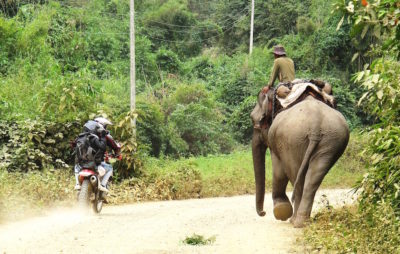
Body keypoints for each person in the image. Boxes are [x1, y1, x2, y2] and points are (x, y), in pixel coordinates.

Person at [73, 117, 121, 192]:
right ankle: (102, 185)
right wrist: (117, 153)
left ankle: (77, 184)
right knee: (110, 168)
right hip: (96, 162)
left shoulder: (83, 136)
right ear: (102, 126)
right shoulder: (104, 136)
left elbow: (74, 144)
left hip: (82, 162)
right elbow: (114, 145)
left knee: (76, 166)